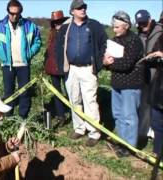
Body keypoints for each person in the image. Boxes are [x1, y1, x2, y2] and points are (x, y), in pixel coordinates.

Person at [55, 0, 107, 147]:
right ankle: (79, 128)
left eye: (84, 7)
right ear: (72, 11)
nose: (82, 9)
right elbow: (59, 48)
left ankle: (94, 132)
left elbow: (105, 44)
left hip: (88, 69)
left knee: (90, 101)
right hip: (71, 69)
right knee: (74, 100)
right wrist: (61, 67)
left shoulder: (94, 25)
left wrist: (99, 62)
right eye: (79, 8)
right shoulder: (65, 28)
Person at [0, 0, 41, 119]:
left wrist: (30, 53)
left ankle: (23, 117)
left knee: (25, 92)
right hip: (7, 65)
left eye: (17, 13)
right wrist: (0, 52)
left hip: (24, 65)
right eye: (11, 13)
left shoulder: (30, 25)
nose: (14, 16)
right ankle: (8, 116)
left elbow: (37, 41)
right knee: (8, 92)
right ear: (8, 12)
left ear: (20, 12)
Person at [103, 11, 144, 157]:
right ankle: (122, 142)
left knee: (129, 116)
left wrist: (111, 63)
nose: (114, 30)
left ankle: (130, 147)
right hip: (117, 84)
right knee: (118, 114)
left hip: (131, 85)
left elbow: (126, 64)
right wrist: (105, 62)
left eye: (117, 27)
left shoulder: (134, 41)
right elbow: (107, 60)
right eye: (113, 27)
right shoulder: (114, 41)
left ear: (126, 26)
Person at [134, 9, 163, 148]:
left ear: (150, 19)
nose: (142, 26)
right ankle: (142, 136)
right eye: (140, 24)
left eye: (144, 23)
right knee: (145, 106)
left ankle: (155, 138)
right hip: (144, 74)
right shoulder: (139, 33)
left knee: (156, 108)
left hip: (157, 75)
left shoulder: (159, 31)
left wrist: (157, 55)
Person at [44, 10, 69, 127]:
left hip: (65, 68)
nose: (57, 24)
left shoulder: (68, 33)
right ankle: (61, 115)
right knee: (57, 93)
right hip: (53, 69)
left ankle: (76, 115)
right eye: (55, 22)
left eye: (59, 22)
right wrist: (45, 65)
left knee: (71, 93)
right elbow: (48, 52)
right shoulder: (52, 35)